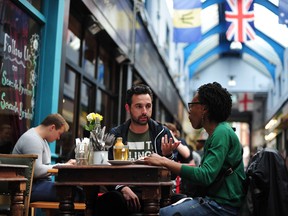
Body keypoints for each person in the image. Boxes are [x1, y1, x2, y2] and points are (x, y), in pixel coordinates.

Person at [145, 82, 246, 216]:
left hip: (221, 207)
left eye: (192, 105)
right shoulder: (219, 132)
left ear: (204, 109)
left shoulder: (221, 133)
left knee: (162, 213)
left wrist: (164, 161)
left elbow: (205, 175)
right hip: (217, 203)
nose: (189, 110)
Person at [96, 84, 181, 215]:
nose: (144, 112)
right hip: (126, 194)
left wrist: (168, 156)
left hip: (158, 194)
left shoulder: (162, 133)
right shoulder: (116, 134)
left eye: (148, 106)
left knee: (186, 202)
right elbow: (107, 169)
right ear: (128, 108)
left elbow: (174, 176)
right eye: (139, 106)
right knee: (107, 202)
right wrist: (122, 188)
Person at [12, 113, 77, 202]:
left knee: (75, 191)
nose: (58, 138)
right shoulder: (32, 139)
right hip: (26, 189)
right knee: (74, 193)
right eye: (59, 134)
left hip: (36, 185)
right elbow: (36, 171)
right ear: (52, 127)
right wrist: (63, 166)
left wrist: (64, 166)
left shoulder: (41, 139)